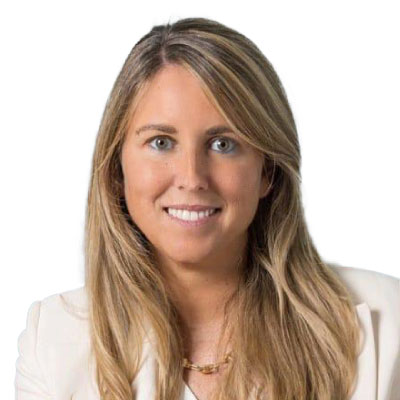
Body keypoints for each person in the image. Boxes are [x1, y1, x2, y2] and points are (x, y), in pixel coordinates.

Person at [15, 17, 400, 400]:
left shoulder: (389, 326)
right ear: (117, 169)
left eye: (223, 144)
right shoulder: (52, 343)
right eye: (161, 142)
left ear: (267, 172)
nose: (192, 177)